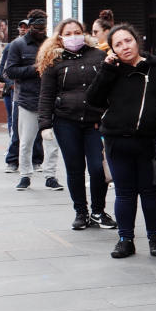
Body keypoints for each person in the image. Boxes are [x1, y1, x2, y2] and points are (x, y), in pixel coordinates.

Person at [86, 24, 156, 259]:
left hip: (149, 142)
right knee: (124, 193)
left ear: (137, 41)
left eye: (128, 41)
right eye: (118, 44)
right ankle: (125, 240)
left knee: (151, 192)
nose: (125, 47)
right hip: (117, 141)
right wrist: (106, 69)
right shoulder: (111, 70)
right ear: (112, 49)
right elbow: (92, 99)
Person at [36, 18, 114, 231]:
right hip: (66, 122)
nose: (73, 36)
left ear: (84, 33)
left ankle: (98, 210)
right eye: (68, 33)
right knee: (75, 169)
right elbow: (47, 95)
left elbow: (110, 86)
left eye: (76, 32)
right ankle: (81, 212)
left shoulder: (99, 56)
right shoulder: (53, 61)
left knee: (98, 169)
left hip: (95, 122)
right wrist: (44, 124)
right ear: (60, 37)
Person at [4, 10, 61, 190]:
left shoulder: (51, 44)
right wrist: (35, 68)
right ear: (29, 26)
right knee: (26, 141)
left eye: (43, 27)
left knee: (51, 143)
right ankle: (25, 175)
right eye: (37, 27)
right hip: (27, 100)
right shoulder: (17, 45)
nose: (41, 31)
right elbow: (10, 71)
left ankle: (50, 175)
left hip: (50, 100)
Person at [0, 19, 40, 173]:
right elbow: (4, 71)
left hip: (37, 94)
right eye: (21, 27)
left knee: (37, 133)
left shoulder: (42, 45)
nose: (23, 29)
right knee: (17, 129)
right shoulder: (13, 46)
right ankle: (12, 160)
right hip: (17, 95)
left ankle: (36, 160)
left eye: (26, 27)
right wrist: (11, 84)